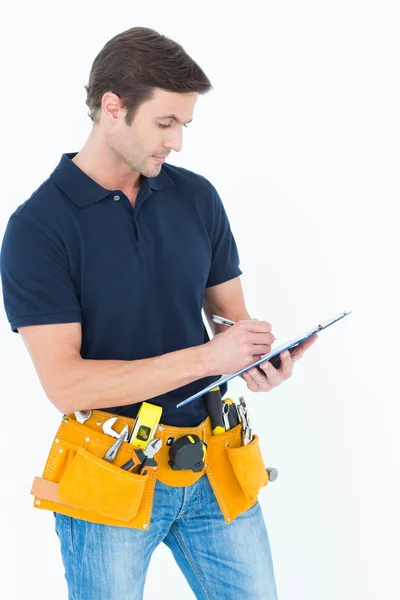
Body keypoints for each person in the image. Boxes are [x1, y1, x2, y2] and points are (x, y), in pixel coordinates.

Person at [0, 26, 317, 600]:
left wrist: (256, 362)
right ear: (113, 109)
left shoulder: (197, 198)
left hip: (214, 461)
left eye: (184, 125)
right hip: (110, 473)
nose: (177, 143)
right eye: (165, 123)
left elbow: (229, 323)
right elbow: (66, 385)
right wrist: (209, 356)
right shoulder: (37, 229)